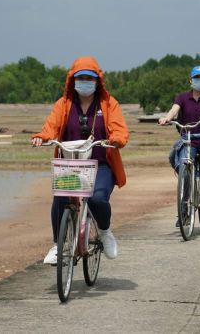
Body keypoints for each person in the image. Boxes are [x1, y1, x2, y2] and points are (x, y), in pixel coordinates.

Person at [31, 56, 129, 264]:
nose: (85, 82)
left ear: (97, 81)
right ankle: (59, 246)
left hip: (101, 163)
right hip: (72, 164)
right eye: (80, 77)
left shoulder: (109, 104)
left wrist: (117, 139)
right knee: (61, 198)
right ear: (72, 80)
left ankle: (104, 231)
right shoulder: (64, 104)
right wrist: (42, 137)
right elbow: (51, 127)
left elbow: (119, 129)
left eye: (89, 78)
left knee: (97, 199)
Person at [159, 65, 200, 189]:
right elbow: (173, 110)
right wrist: (167, 118)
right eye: (196, 77)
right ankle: (184, 180)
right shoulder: (182, 97)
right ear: (190, 80)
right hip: (189, 138)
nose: (199, 80)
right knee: (177, 158)